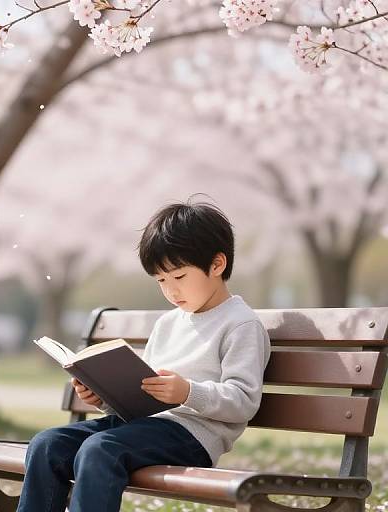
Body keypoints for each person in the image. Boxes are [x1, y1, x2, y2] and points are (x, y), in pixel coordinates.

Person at [17, 199, 271, 512]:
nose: (171, 291)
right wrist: (102, 397)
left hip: (191, 436)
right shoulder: (168, 323)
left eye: (178, 277)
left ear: (216, 265)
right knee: (47, 445)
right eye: (161, 281)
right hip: (142, 427)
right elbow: (141, 396)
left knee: (100, 450)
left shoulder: (240, 324)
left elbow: (243, 401)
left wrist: (187, 392)